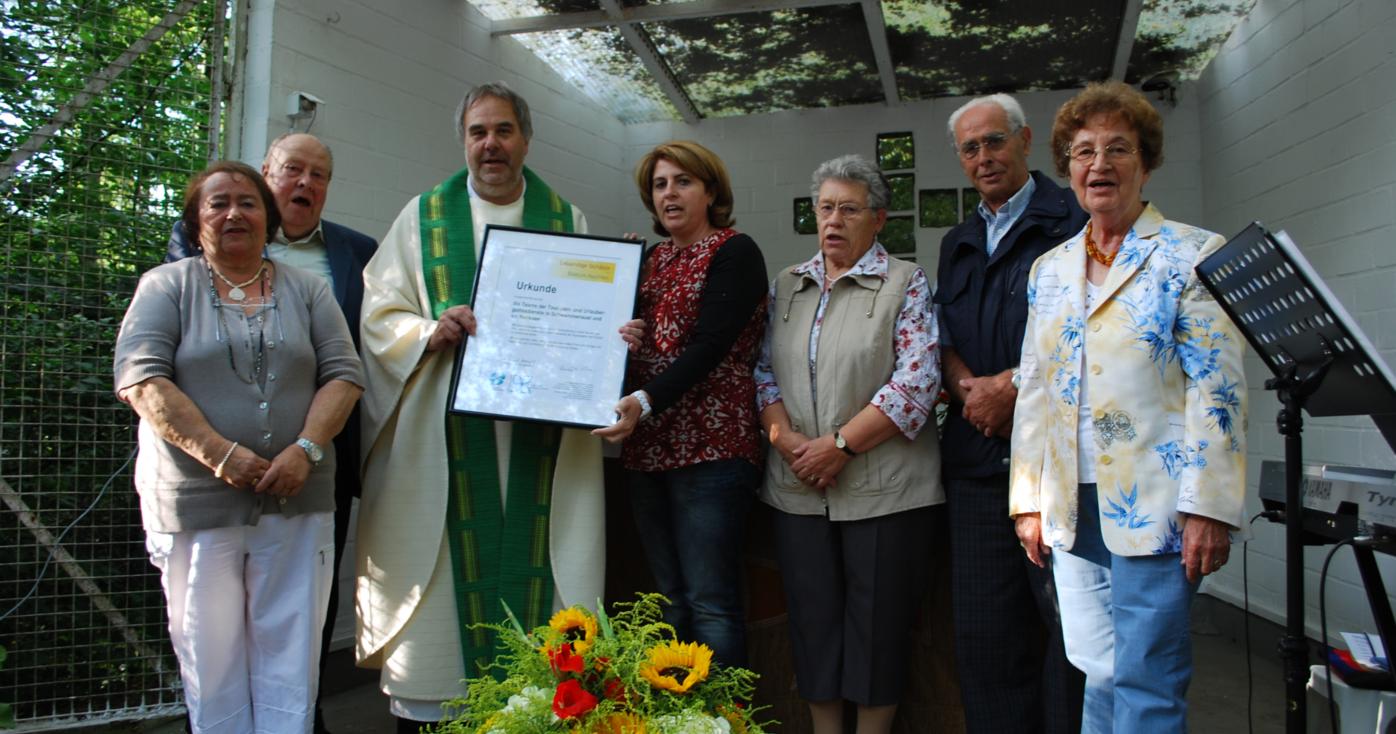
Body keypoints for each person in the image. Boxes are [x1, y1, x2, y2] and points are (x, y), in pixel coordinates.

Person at [354, 81, 606, 733]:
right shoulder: (421, 218)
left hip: (540, 441)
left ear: (525, 138)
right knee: (442, 610)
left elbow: (586, 324)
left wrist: (612, 338)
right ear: (463, 141)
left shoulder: (566, 219)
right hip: (446, 444)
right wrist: (427, 332)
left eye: (503, 131)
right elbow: (380, 314)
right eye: (477, 132)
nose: (490, 145)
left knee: (545, 580)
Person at [1010, 81, 1247, 732]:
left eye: (1118, 148)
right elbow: (1034, 387)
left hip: (1159, 504)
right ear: (1067, 169)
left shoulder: (1193, 255)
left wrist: (1208, 507)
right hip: (1068, 504)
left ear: (1146, 163)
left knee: (1148, 676)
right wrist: (1027, 498)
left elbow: (1217, 391)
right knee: (1098, 667)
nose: (1099, 164)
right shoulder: (1049, 270)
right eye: (1083, 151)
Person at [114, 160, 364, 733]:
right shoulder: (166, 286)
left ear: (268, 218)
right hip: (198, 504)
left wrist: (305, 449)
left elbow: (344, 375)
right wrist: (219, 454)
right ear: (196, 221)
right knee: (210, 653)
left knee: (292, 653)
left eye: (248, 203)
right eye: (217, 203)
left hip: (297, 498)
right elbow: (141, 379)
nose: (234, 213)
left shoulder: (308, 289)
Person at [754, 154, 942, 734]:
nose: (833, 220)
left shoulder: (905, 282)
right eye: (825, 207)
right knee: (812, 623)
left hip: (885, 491)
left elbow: (918, 381)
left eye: (849, 209)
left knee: (877, 625)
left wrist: (837, 446)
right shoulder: (788, 284)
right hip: (798, 488)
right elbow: (760, 374)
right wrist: (791, 447)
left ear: (878, 218)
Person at [934, 94, 1087, 734]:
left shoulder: (1074, 220)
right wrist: (971, 390)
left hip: (1055, 467)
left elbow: (1088, 334)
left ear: (1025, 141)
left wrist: (1014, 388)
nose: (983, 157)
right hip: (975, 466)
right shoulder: (958, 240)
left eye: (994, 141)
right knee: (987, 643)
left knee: (1067, 639)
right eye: (970, 148)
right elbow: (943, 339)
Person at [592, 140, 768, 668]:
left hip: (712, 448)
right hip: (648, 448)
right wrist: (616, 303)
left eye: (683, 181)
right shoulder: (648, 260)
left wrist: (644, 399)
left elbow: (710, 347)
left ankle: (724, 721)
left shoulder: (735, 251)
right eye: (659, 184)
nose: (669, 194)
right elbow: (633, 345)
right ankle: (679, 716)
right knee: (668, 603)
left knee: (711, 603)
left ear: (710, 191)